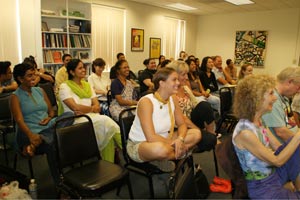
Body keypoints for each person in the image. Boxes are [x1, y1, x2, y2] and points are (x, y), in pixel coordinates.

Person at [232, 74, 300, 199]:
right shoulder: (245, 132)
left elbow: (278, 147)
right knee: (295, 142)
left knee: (296, 147)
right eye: (270, 94)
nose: (274, 98)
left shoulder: (259, 120)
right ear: (256, 98)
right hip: (262, 187)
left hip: (273, 173)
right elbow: (277, 161)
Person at [10, 63, 74, 185]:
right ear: (20, 79)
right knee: (53, 144)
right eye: (29, 75)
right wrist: (31, 136)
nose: (34, 77)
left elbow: (51, 111)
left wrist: (49, 117)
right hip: (28, 131)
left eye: (34, 74)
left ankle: (40, 140)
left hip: (47, 126)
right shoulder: (15, 97)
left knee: (69, 115)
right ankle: (60, 185)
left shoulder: (40, 90)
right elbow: (19, 121)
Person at [127, 67, 201, 172]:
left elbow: (182, 124)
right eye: (174, 80)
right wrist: (175, 143)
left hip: (165, 138)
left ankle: (166, 157)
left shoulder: (173, 98)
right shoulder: (146, 102)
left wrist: (180, 139)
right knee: (160, 149)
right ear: (162, 83)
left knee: (196, 134)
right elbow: (151, 137)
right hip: (141, 144)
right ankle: (182, 154)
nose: (178, 83)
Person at [58, 59, 122, 162]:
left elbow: (97, 105)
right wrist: (91, 108)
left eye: (84, 67)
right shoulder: (64, 87)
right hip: (74, 119)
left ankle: (109, 163)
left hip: (90, 116)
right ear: (71, 72)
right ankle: (128, 150)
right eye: (80, 68)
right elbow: (75, 107)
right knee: (106, 122)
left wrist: (89, 109)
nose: (84, 70)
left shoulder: (87, 85)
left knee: (108, 131)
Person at [169, 60, 220, 140]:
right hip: (177, 125)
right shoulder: (169, 92)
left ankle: (211, 134)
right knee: (209, 140)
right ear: (174, 75)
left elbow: (195, 104)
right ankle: (207, 138)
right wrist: (198, 130)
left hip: (190, 120)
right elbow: (180, 118)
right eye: (184, 75)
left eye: (187, 74)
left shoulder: (185, 89)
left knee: (204, 105)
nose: (186, 78)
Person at [262, 67, 300, 143]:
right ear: (290, 82)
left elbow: (291, 122)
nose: (299, 91)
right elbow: (281, 132)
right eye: (299, 87)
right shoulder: (273, 99)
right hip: (284, 145)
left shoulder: (284, 98)